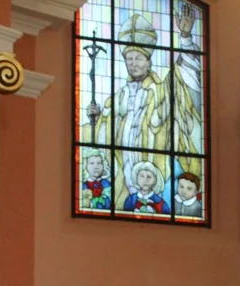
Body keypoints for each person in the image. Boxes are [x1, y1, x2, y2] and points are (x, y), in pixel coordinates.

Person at [83, 6, 203, 208]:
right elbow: (106, 133)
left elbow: (185, 79)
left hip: (155, 165)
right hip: (125, 168)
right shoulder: (119, 96)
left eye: (138, 58)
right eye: (129, 59)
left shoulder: (162, 90)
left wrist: (185, 38)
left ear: (149, 62)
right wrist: (97, 118)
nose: (133, 63)